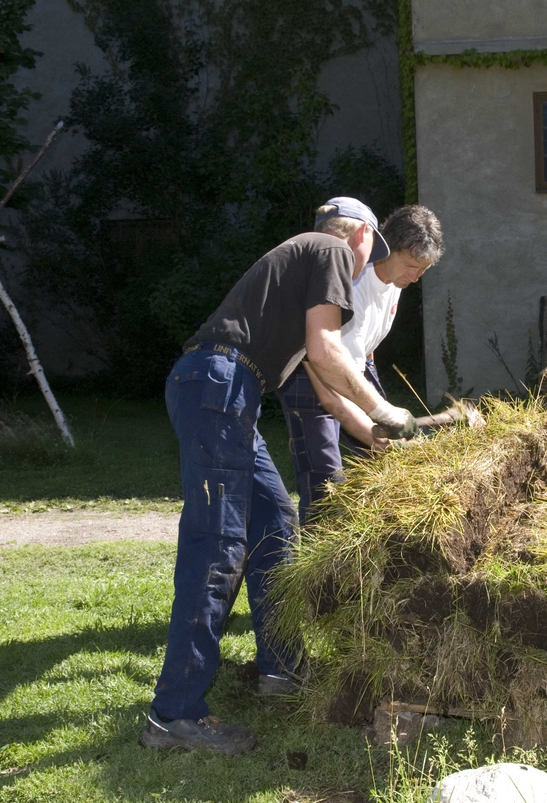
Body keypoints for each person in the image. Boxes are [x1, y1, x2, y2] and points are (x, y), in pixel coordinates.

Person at [140, 198, 419, 755]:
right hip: (217, 383)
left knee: (275, 521)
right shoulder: (333, 249)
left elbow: (326, 385)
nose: (367, 268)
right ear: (361, 234)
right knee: (218, 543)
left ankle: (282, 669)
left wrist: (380, 435)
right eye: (374, 252)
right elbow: (328, 350)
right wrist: (389, 411)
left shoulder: (299, 279)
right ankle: (175, 713)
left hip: (228, 391)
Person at [278, 202, 444, 526]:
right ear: (388, 249)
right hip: (311, 373)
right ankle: (314, 566)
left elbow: (364, 349)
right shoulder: (353, 286)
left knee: (380, 464)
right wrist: (372, 430)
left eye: (423, 269)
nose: (416, 276)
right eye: (411, 265)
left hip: (349, 368)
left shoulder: (395, 281)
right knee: (326, 483)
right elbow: (330, 385)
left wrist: (382, 413)